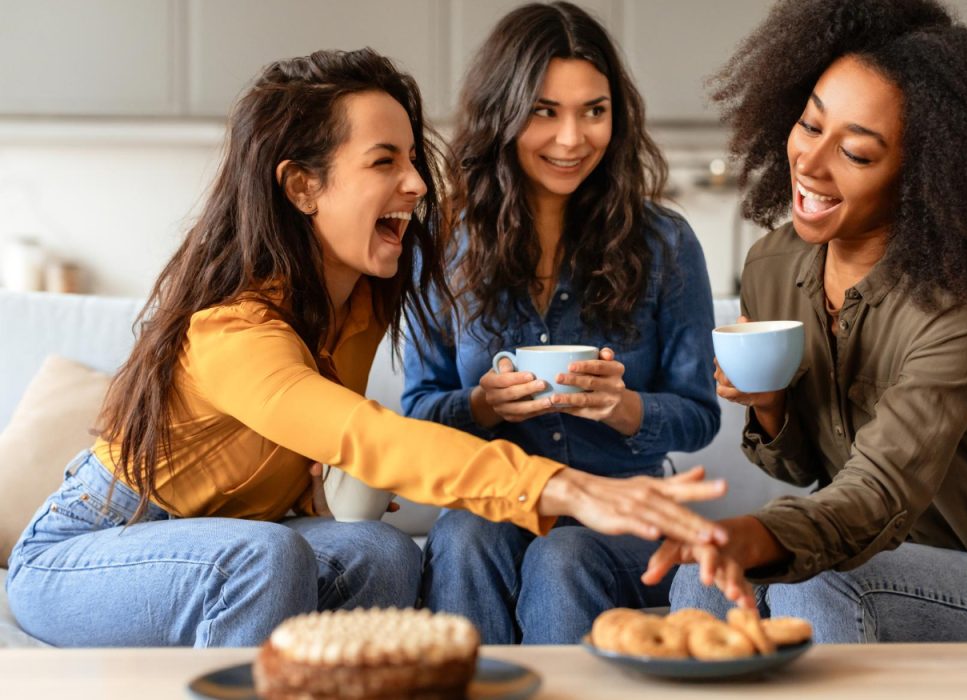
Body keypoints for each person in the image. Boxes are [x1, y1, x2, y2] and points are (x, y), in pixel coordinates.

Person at [4, 47, 728, 648]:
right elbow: (367, 435)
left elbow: (335, 444)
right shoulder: (231, 330)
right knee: (265, 557)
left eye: (414, 158)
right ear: (302, 186)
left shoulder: (368, 291)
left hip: (231, 535)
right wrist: (571, 488)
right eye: (386, 161)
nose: (416, 183)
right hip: (88, 550)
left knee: (381, 553)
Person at [642, 0, 967, 643]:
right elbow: (798, 473)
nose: (811, 163)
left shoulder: (960, 302)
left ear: (923, 177)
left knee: (825, 582)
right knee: (704, 580)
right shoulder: (772, 265)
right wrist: (770, 407)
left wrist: (760, 531)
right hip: (846, 540)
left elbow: (879, 493)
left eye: (855, 152)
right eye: (809, 124)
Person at [403, 2, 720, 644]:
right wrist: (483, 407)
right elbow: (415, 414)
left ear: (617, 116)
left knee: (564, 554)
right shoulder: (440, 244)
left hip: (624, 512)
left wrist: (624, 407)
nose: (572, 139)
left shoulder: (665, 243)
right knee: (463, 535)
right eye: (544, 111)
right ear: (502, 114)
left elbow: (699, 414)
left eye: (593, 111)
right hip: (493, 500)